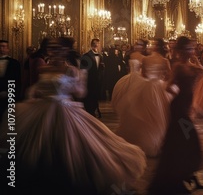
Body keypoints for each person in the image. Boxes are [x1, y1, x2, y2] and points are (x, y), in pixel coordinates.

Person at [0, 37, 146, 194]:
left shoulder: (71, 70)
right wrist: (32, 97)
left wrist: (76, 81)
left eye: (58, 49)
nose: (54, 52)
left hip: (64, 110)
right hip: (42, 110)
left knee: (69, 146)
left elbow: (80, 92)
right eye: (51, 49)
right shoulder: (44, 68)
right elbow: (35, 89)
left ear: (65, 51)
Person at [148, 36, 203, 194]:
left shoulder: (191, 65)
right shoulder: (179, 67)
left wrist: (194, 59)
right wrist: (180, 93)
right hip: (178, 107)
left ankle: (188, 174)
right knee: (185, 139)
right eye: (188, 48)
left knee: (185, 140)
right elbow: (168, 87)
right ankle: (178, 176)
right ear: (181, 50)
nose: (191, 51)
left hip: (186, 106)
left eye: (192, 48)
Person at [112, 38, 173, 157]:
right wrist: (160, 79)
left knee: (143, 114)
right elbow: (169, 76)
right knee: (159, 115)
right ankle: (158, 140)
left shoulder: (146, 59)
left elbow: (144, 75)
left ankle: (142, 139)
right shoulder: (165, 60)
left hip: (146, 87)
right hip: (159, 87)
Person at [80, 38, 105, 117]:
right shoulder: (86, 56)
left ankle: (94, 109)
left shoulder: (100, 56)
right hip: (89, 80)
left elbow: (100, 68)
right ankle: (90, 112)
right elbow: (83, 69)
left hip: (97, 81)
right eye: (94, 43)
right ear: (91, 44)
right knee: (89, 97)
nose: (96, 45)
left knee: (95, 96)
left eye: (97, 43)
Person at [0, 40, 21, 122]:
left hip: (10, 97)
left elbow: (17, 81)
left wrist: (9, 93)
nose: (1, 49)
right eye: (0, 46)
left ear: (8, 49)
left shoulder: (15, 63)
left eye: (4, 46)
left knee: (8, 121)